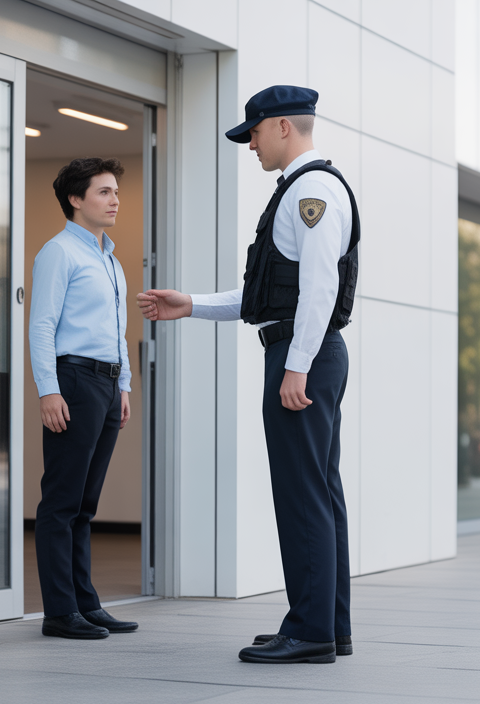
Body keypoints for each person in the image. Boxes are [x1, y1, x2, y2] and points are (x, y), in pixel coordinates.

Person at [137, 85, 359, 664]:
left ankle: (309, 631)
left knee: (302, 495)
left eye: (255, 133)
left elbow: (318, 290)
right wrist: (192, 303)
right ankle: (328, 627)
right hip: (304, 351)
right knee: (320, 492)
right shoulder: (303, 188)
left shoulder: (310, 190)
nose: (251, 145)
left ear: (283, 127)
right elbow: (269, 293)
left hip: (300, 355)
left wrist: (296, 367)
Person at [29, 157, 139, 639]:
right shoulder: (60, 252)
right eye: (104, 192)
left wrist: (125, 385)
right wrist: (48, 390)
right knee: (62, 501)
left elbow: (118, 329)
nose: (115, 200)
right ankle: (59, 611)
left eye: (116, 192)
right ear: (76, 200)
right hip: (73, 381)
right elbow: (42, 326)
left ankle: (85, 602)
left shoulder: (109, 258)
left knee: (85, 503)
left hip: (107, 385)